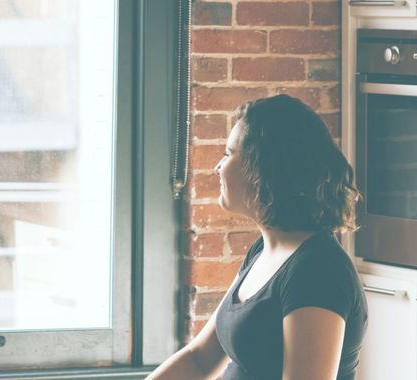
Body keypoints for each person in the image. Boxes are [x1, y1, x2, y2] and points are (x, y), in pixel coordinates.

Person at [149, 94, 368, 379]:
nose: (218, 167)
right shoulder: (263, 251)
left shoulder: (318, 271)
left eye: (228, 154)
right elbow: (199, 360)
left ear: (263, 169)